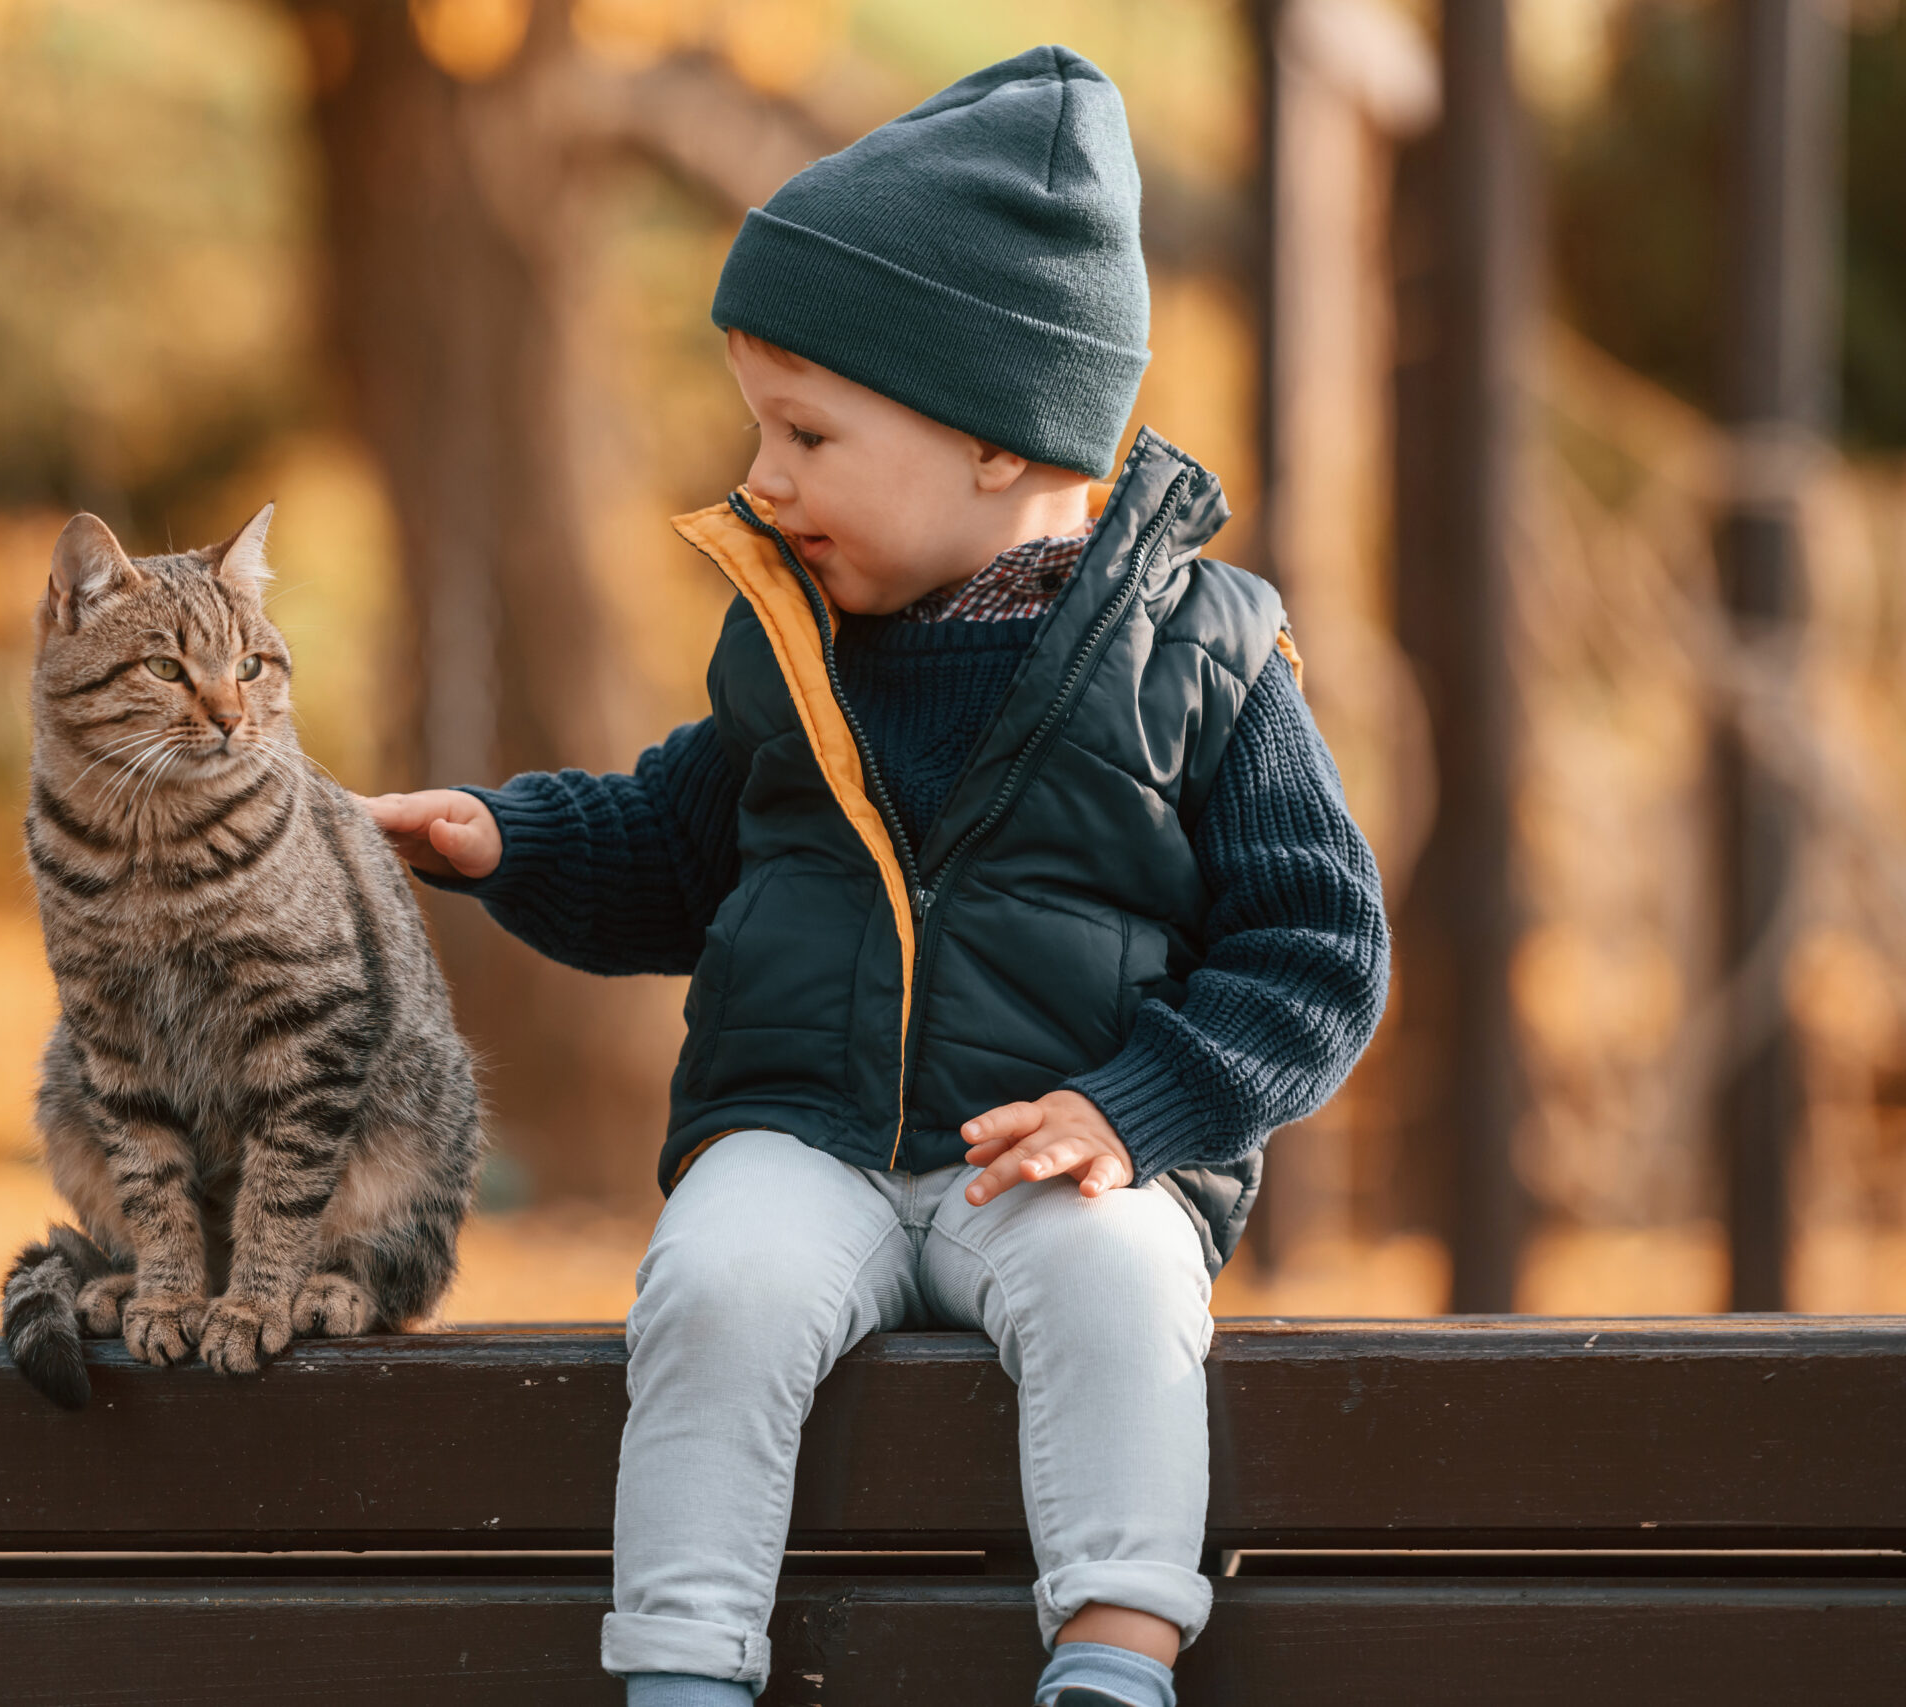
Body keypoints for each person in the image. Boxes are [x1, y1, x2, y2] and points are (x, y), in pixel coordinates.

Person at [362, 46, 1389, 1707]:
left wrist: (1137, 1108)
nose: (763, 479)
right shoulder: (795, 647)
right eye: (762, 428)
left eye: (810, 433)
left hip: (1060, 1155)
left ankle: (1117, 1653)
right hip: (811, 1135)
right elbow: (685, 843)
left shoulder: (1204, 657)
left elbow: (1318, 946)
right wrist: (513, 842)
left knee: (1122, 1290)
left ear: (998, 437)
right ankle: (686, 1666)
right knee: (715, 1281)